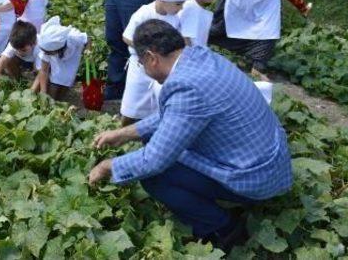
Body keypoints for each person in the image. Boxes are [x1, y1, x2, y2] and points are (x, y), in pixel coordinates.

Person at [89, 20, 293, 252]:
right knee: (155, 142)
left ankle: (224, 228)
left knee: (155, 176)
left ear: (151, 58)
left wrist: (108, 167)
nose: (143, 69)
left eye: (140, 62)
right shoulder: (199, 57)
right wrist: (125, 133)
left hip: (256, 177)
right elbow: (175, 116)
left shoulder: (187, 88)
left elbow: (154, 160)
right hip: (268, 160)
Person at [120, 0, 191, 126]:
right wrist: (148, 49)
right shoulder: (144, 13)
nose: (181, 8)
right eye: (178, 3)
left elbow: (181, 40)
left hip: (164, 70)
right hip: (140, 67)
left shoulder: (176, 17)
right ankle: (122, 130)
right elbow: (127, 37)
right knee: (132, 106)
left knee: (160, 106)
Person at [33, 16, 88, 100]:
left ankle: (61, 95)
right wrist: (43, 92)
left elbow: (87, 39)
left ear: (57, 49)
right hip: (57, 57)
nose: (45, 53)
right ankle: (52, 99)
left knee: (66, 80)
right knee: (54, 85)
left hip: (73, 57)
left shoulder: (74, 37)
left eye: (48, 52)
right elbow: (44, 70)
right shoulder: (47, 46)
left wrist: (88, 51)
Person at [0, 20, 40, 90]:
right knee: (7, 60)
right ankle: (17, 80)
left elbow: (41, 74)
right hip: (22, 61)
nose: (19, 52)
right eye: (16, 49)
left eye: (23, 50)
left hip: (35, 63)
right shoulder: (16, 41)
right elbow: (2, 61)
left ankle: (30, 77)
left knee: (39, 77)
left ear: (34, 43)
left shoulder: (39, 48)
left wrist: (31, 92)